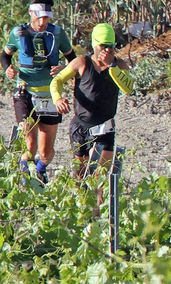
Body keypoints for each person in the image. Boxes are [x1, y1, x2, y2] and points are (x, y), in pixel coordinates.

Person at [0, 0, 75, 182]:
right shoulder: (18, 33)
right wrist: (8, 69)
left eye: (46, 18)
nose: (42, 22)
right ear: (30, 13)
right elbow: (5, 56)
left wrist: (64, 68)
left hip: (50, 95)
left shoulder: (58, 33)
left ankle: (40, 171)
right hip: (24, 92)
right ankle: (24, 179)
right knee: (29, 142)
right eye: (39, 17)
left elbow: (73, 60)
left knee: (46, 151)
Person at [52, 23, 133, 179]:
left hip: (105, 127)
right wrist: (58, 99)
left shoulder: (120, 65)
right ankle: (79, 201)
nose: (108, 50)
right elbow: (57, 81)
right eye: (104, 46)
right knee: (80, 175)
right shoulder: (82, 63)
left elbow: (128, 88)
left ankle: (98, 203)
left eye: (111, 46)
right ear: (95, 45)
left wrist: (112, 66)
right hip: (81, 126)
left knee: (100, 177)